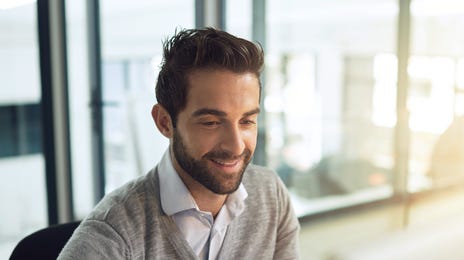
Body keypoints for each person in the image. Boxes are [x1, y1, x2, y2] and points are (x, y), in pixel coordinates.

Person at [58, 28, 300, 259]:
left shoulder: (271, 195)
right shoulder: (113, 233)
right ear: (165, 122)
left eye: (247, 121)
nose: (236, 146)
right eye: (211, 123)